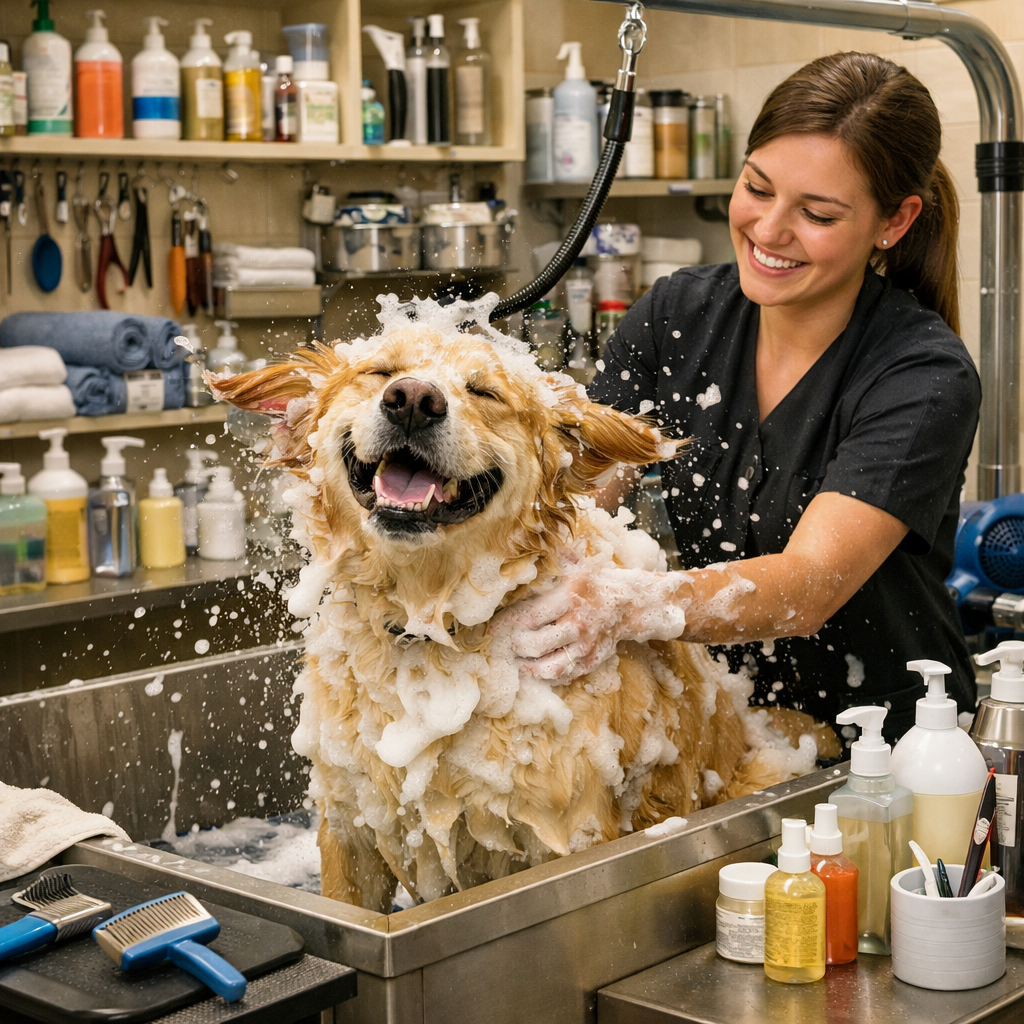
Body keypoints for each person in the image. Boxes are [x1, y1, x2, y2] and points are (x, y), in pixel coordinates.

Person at [498, 52, 980, 744]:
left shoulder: (921, 375)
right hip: (728, 733)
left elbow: (809, 585)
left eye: (816, 213)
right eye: (757, 187)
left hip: (885, 753)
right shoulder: (674, 317)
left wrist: (629, 602)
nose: (769, 230)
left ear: (894, 222)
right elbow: (578, 502)